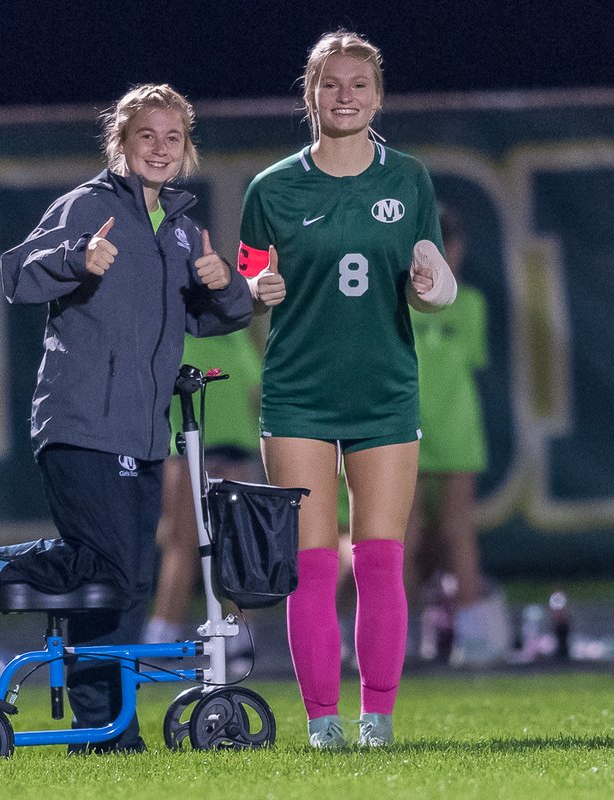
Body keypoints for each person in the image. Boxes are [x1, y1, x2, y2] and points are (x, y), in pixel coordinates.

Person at [0, 84, 253, 753]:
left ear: (187, 148)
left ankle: (104, 733)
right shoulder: (88, 207)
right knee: (111, 569)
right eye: (145, 136)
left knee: (120, 581)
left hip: (144, 432)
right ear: (121, 142)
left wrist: (223, 283)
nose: (159, 149)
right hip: (80, 421)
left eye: (171, 138)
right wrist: (75, 259)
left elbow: (222, 316)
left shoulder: (182, 228)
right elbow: (17, 275)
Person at [237, 31, 456, 748]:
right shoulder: (271, 189)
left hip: (385, 391)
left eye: (359, 84)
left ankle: (379, 720)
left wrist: (431, 286)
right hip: (298, 392)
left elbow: (430, 283)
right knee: (311, 565)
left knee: (381, 560)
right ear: (311, 93)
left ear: (379, 95)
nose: (346, 96)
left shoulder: (408, 179)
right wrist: (253, 287)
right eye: (331, 84)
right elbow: (247, 281)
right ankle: (324, 724)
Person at [406, 207, 509, 666]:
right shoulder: (405, 303)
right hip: (408, 428)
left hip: (450, 429)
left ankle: (470, 639)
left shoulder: (471, 304)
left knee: (450, 531)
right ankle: (408, 638)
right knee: (406, 537)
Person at [142, 329, 263, 658]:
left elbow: (255, 389)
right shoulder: (178, 333)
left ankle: (235, 632)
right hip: (192, 449)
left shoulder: (233, 332)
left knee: (232, 545)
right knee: (184, 542)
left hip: (231, 447)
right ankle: (164, 628)